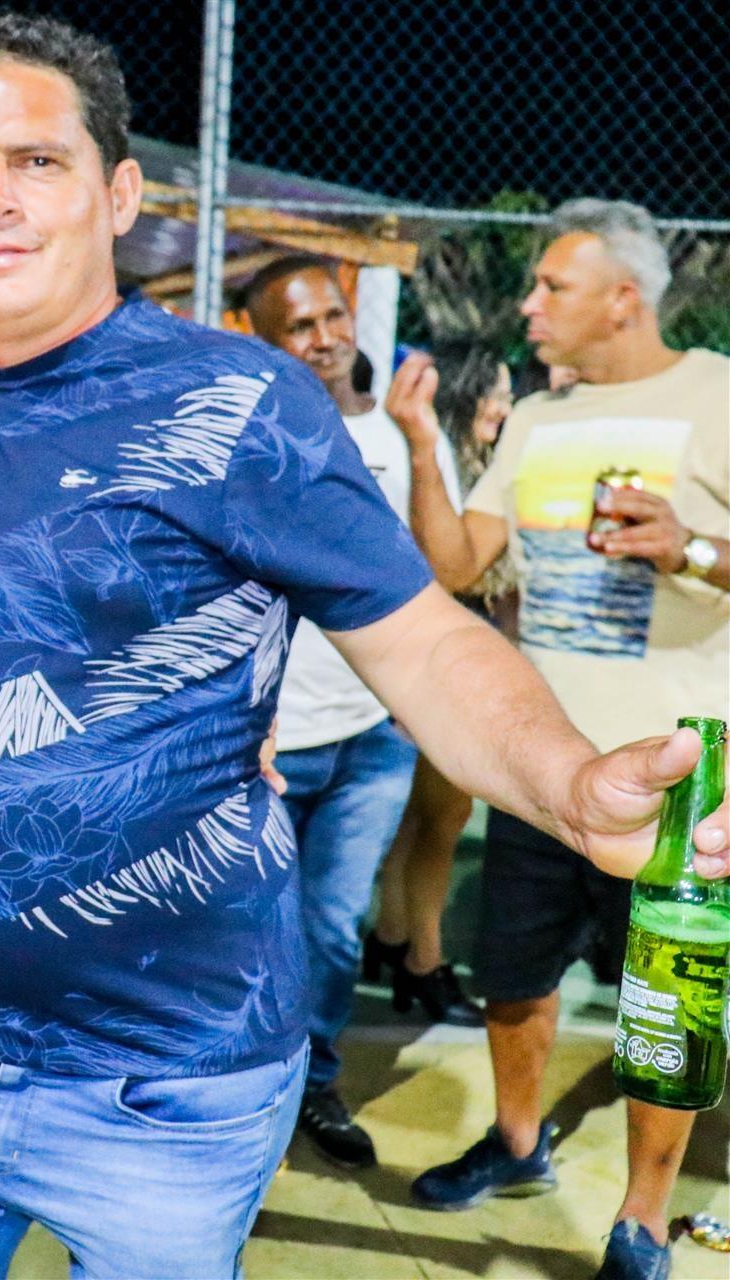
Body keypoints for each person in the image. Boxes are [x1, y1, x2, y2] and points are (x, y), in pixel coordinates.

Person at [0, 15, 726, 1279]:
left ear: (121, 194)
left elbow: (423, 642)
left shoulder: (237, 404)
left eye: (39, 161)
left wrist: (570, 783)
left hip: (166, 1092)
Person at [395, 199, 729, 1280]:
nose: (529, 305)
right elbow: (455, 565)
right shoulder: (538, 418)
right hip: (545, 765)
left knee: (663, 1003)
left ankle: (642, 1219)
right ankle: (516, 1142)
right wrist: (422, 444)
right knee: (514, 975)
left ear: (624, 299)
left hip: (678, 778)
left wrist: (692, 549)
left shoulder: (718, 395)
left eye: (552, 287)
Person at [239, 256, 464, 1171]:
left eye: (335, 316)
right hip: (262, 744)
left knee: (332, 930)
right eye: (301, 326)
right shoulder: (244, 432)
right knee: (249, 932)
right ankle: (237, 1094)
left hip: (370, 741)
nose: (326, 338)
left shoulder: (402, 436)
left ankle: (314, 1082)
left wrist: (420, 442)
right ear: (261, 338)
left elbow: (445, 574)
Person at [369, 340, 513, 1028]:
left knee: (423, 818)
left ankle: (393, 938)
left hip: (448, 659)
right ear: (466, 393)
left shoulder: (474, 465)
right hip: (445, 660)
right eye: (497, 393)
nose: (505, 407)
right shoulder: (440, 470)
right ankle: (424, 962)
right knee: (443, 822)